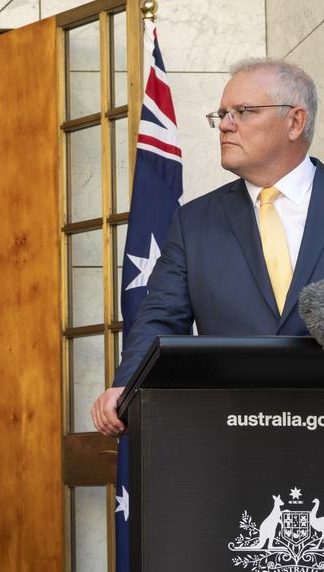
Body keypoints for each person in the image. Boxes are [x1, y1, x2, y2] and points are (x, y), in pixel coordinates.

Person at [92, 58, 324, 436]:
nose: (226, 125)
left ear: (295, 122)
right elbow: (161, 318)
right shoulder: (194, 222)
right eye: (222, 114)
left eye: (243, 112)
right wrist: (128, 386)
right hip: (231, 436)